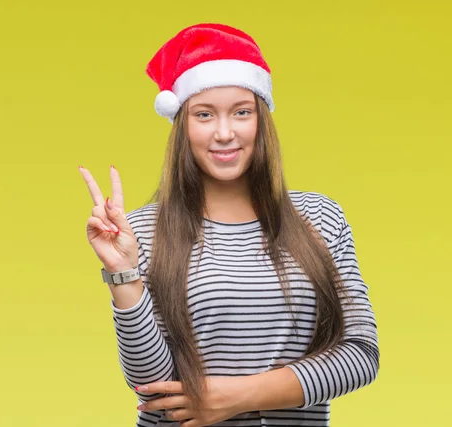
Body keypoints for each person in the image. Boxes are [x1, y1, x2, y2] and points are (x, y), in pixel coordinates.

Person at [79, 23, 379, 427]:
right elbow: (152, 386)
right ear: (182, 126)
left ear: (261, 120)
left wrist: (236, 397)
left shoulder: (321, 218)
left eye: (241, 112)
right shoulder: (142, 232)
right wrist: (123, 275)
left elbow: (360, 354)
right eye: (204, 115)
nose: (224, 133)